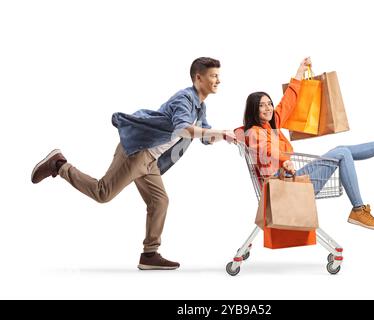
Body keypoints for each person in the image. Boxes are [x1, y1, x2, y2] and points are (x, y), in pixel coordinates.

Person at [31, 57, 236, 270]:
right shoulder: (185, 99)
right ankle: (59, 165)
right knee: (103, 193)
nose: (218, 80)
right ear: (198, 77)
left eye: (218, 76)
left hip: (151, 160)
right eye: (214, 75)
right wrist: (220, 133)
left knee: (160, 201)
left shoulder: (199, 107)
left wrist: (231, 135)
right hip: (138, 152)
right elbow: (183, 129)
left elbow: (204, 137)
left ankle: (149, 255)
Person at [240, 57, 374, 231]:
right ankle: (358, 209)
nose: (268, 108)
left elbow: (289, 100)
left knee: (342, 150)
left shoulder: (272, 124)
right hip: (284, 189)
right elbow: (265, 148)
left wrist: (300, 71)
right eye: (262, 106)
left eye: (269, 103)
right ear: (253, 109)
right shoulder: (254, 132)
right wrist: (284, 160)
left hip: (290, 179)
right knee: (342, 153)